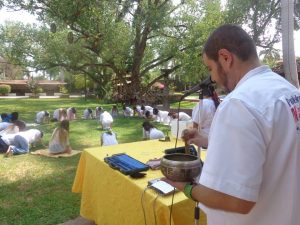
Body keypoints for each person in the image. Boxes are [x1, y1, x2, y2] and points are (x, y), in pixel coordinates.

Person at [164, 24, 300, 225]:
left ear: (225, 58)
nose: (213, 78)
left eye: (211, 68)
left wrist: (187, 188)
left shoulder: (239, 104)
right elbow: (273, 146)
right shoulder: (288, 91)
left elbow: (236, 200)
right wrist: (208, 140)